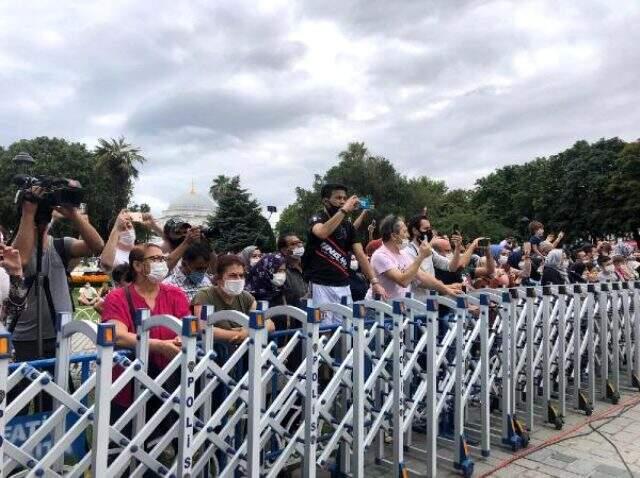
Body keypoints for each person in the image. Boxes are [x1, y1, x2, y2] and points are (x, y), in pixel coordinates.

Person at [11, 189, 104, 368]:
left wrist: (74, 214)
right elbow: (21, 259)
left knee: (56, 387)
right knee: (22, 391)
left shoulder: (61, 244)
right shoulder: (12, 247)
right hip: (24, 335)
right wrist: (28, 213)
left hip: (60, 331)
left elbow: (96, 246)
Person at [101, 243, 190, 410]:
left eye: (163, 259)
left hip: (170, 384)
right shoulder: (117, 297)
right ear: (137, 265)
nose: (161, 263)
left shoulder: (176, 294)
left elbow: (188, 329)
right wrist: (160, 346)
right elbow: (118, 335)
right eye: (155, 259)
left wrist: (181, 339)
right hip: (129, 384)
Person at [303, 184, 386, 325]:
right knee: (324, 331)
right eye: (338, 198)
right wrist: (344, 210)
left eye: (344, 198)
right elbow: (322, 232)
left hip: (343, 284)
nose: (342, 201)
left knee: (346, 330)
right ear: (325, 201)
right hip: (321, 284)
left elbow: (360, 255)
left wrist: (375, 282)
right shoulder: (318, 218)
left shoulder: (348, 226)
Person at [367, 215, 461, 301]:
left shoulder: (402, 254)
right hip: (379, 311)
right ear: (394, 236)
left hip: (396, 309)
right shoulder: (381, 256)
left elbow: (422, 276)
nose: (408, 235)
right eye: (404, 232)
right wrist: (421, 256)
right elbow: (403, 281)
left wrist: (447, 289)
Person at [192, 254, 275, 342]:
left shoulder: (245, 296)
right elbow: (202, 328)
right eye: (233, 275)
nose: (238, 279)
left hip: (245, 350)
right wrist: (240, 334)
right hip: (214, 351)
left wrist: (247, 332)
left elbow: (269, 324)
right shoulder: (204, 295)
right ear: (218, 278)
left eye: (241, 275)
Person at [277, 233, 308, 308]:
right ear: (284, 250)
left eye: (300, 242)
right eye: (293, 244)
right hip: (294, 315)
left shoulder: (309, 267)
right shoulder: (281, 273)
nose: (299, 245)